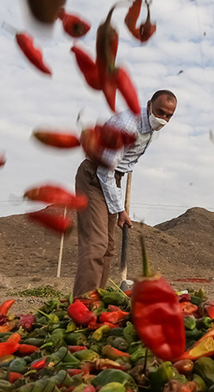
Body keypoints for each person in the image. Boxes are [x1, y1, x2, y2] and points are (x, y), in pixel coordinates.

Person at [73, 90, 177, 298]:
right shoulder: (127, 126)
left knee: (108, 247)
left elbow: (123, 162)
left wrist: (120, 195)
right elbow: (105, 171)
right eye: (160, 112)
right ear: (149, 104)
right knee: (96, 244)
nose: (163, 119)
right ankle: (83, 303)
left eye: (169, 116)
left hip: (113, 179)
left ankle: (97, 299)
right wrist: (120, 210)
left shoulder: (148, 128)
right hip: (95, 177)